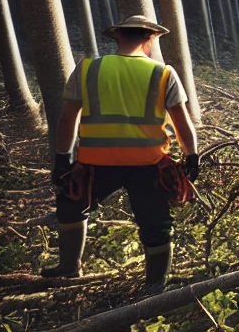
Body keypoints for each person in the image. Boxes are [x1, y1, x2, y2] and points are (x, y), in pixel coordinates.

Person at [44, 15, 199, 295]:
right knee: (156, 223)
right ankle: (155, 286)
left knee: (70, 205)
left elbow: (67, 119)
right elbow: (182, 124)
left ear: (117, 37)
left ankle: (69, 268)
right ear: (150, 38)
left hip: (95, 163)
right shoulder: (163, 73)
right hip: (148, 164)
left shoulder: (88, 69)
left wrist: (62, 159)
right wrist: (192, 157)